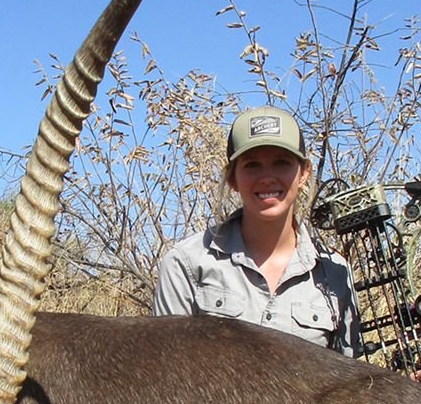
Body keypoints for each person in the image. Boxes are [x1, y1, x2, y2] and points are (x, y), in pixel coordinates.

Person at [153, 105, 361, 355]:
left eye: (281, 163)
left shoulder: (335, 273)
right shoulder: (186, 263)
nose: (267, 178)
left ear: (304, 173)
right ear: (233, 178)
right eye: (252, 165)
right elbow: (166, 372)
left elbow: (351, 380)